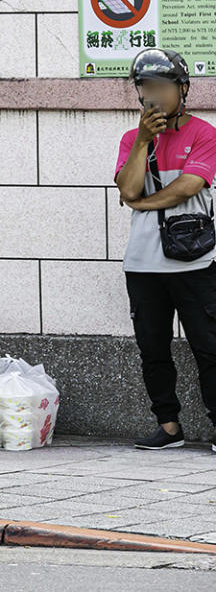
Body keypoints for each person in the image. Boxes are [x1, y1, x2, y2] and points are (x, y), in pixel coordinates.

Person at [115, 47, 216, 452]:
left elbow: (190, 185)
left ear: (183, 89)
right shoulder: (130, 138)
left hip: (195, 260)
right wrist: (143, 139)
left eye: (162, 85)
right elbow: (127, 187)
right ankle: (169, 426)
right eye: (146, 87)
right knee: (152, 348)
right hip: (143, 263)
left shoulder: (204, 133)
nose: (154, 94)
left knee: (209, 348)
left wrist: (142, 204)